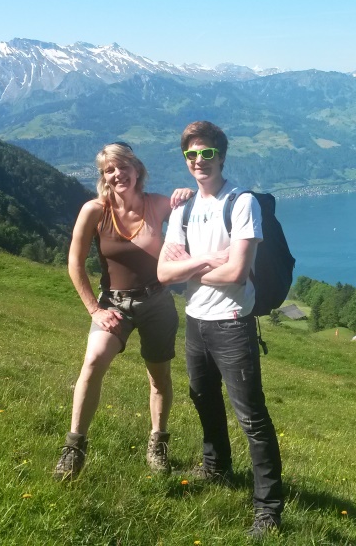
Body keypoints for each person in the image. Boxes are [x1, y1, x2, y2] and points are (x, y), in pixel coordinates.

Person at [157, 121, 284, 538]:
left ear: (222, 156)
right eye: (191, 154)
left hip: (232, 323)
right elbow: (163, 273)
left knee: (251, 417)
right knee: (203, 399)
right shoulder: (183, 209)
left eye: (207, 153)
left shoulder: (242, 203)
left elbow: (235, 274)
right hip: (196, 322)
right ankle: (217, 467)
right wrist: (206, 261)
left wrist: (188, 269)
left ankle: (268, 509)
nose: (199, 160)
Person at [54, 142, 193, 481]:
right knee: (93, 362)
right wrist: (94, 310)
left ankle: (157, 442)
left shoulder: (157, 204)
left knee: (159, 377)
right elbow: (74, 263)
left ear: (137, 169)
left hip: (157, 302)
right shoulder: (94, 211)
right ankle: (74, 448)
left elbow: (198, 215)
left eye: (123, 167)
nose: (118, 175)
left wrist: (187, 195)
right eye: (109, 170)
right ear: (103, 177)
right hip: (113, 304)